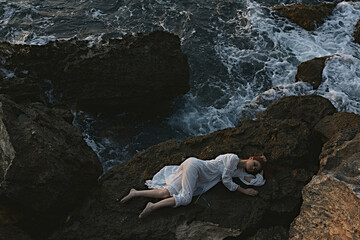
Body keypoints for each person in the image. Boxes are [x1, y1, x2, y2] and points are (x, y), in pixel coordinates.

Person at [120, 153, 267, 218]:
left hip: (194, 171)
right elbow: (226, 181)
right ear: (250, 157)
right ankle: (152, 206)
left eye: (254, 169)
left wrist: (262, 170)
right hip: (195, 167)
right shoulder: (232, 158)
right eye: (254, 164)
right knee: (185, 198)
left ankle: (135, 193)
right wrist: (243, 191)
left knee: (165, 193)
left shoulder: (238, 171)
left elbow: (257, 182)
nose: (253, 168)